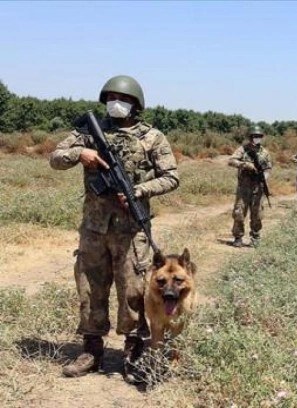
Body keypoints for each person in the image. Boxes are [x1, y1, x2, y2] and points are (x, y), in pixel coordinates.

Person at [49, 75, 179, 381]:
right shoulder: (88, 132)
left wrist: (139, 190)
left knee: (133, 291)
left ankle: (133, 351)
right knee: (90, 287)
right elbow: (56, 158)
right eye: (108, 99)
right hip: (94, 228)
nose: (114, 104)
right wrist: (80, 154)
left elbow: (171, 176)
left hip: (131, 230)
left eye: (120, 99)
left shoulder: (152, 137)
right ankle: (91, 350)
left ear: (135, 104)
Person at [228, 125, 273, 247]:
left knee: (257, 214)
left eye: (259, 136)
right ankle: (238, 237)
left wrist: (264, 176)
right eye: (255, 136)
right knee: (239, 213)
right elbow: (231, 161)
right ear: (250, 137)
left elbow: (269, 167)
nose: (257, 138)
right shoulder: (243, 149)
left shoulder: (265, 152)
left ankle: (255, 236)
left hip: (258, 188)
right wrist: (244, 164)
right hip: (244, 187)